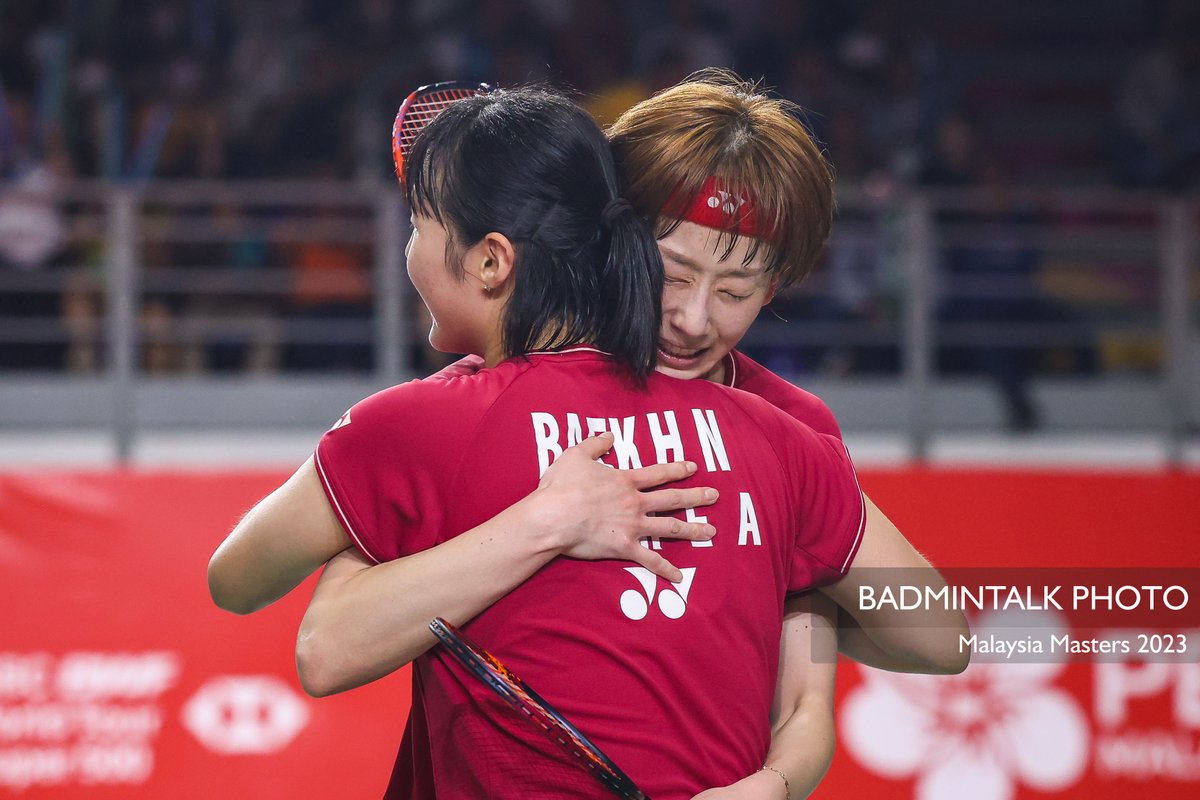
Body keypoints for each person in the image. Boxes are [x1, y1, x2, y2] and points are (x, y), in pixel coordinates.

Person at [211, 79, 966, 799]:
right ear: (614, 238)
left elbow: (832, 689)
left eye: (736, 292)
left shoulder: (789, 432)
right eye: (673, 274)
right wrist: (542, 524)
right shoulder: (468, 402)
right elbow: (322, 636)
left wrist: (772, 780)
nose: (695, 319)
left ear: (774, 289)